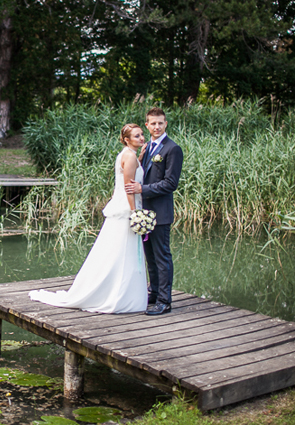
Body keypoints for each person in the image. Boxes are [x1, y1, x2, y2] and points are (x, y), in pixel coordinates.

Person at [28, 124, 148, 313]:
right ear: (127, 139)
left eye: (142, 134)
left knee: (116, 252)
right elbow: (129, 188)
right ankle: (118, 294)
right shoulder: (130, 156)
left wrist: (141, 156)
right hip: (126, 209)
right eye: (137, 136)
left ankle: (115, 291)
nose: (142, 138)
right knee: (123, 251)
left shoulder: (127, 154)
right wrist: (135, 213)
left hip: (121, 207)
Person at [125, 107, 183, 315]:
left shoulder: (172, 149)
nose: (157, 127)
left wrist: (143, 189)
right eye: (153, 123)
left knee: (162, 256)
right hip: (145, 212)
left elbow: (170, 183)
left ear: (165, 124)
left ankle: (164, 302)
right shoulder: (148, 147)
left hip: (160, 212)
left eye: (160, 123)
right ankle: (154, 292)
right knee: (149, 256)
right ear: (147, 125)